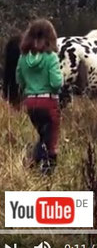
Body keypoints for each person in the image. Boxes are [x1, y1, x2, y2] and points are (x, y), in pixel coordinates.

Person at [16, 19, 63, 174]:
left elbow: (19, 80)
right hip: (48, 102)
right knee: (50, 140)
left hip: (31, 103)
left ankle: (35, 166)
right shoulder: (51, 57)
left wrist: (30, 87)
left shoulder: (23, 58)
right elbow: (56, 83)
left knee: (43, 135)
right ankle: (41, 170)